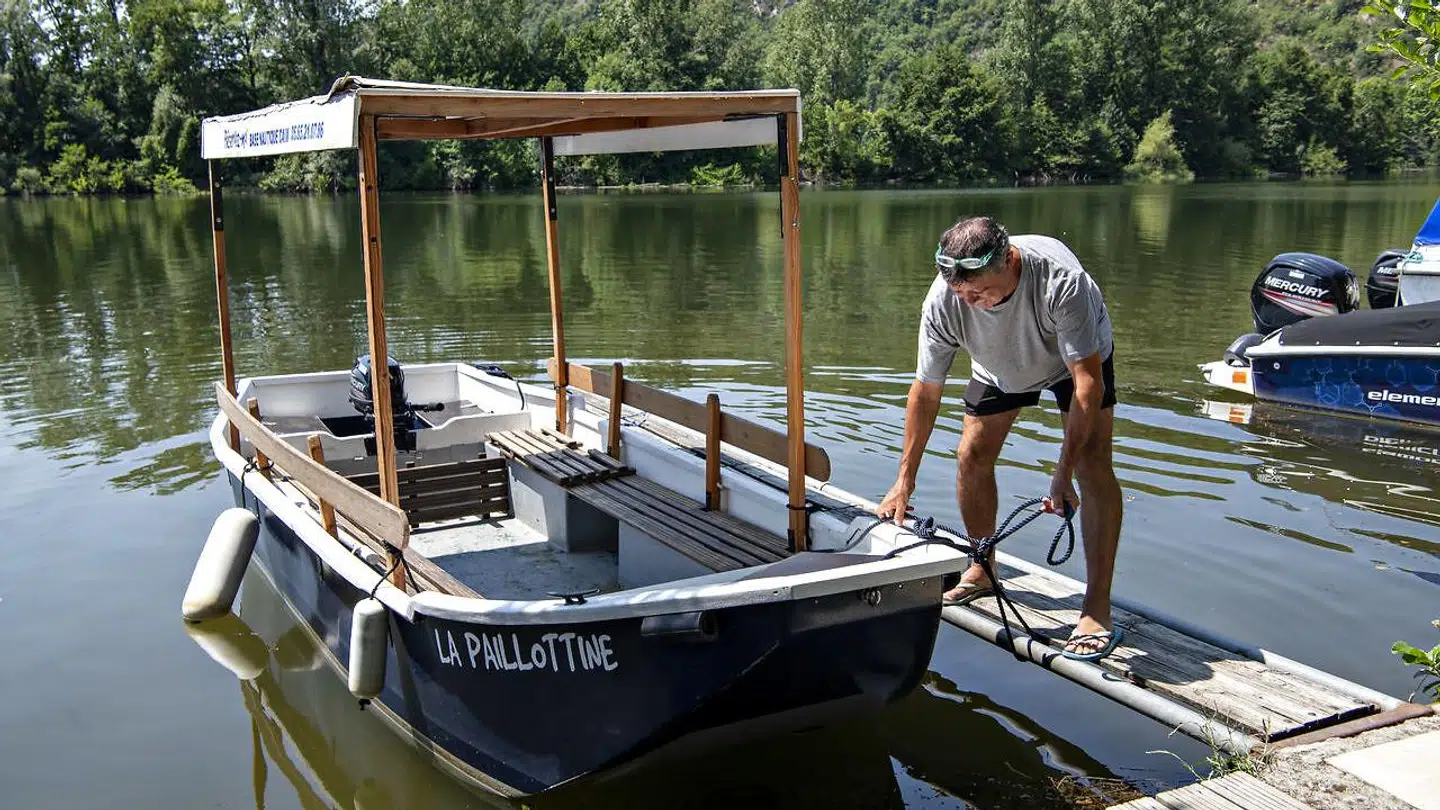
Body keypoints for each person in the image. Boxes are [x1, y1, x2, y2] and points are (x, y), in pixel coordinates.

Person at [875, 216, 1124, 661]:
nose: (971, 303)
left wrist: (1062, 474)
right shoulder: (945, 299)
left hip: (1073, 362)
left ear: (1009, 260)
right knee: (970, 453)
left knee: (1091, 465)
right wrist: (903, 480)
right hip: (998, 365)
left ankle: (1096, 607)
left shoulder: (1060, 282)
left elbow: (1087, 385)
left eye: (981, 292)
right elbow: (926, 391)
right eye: (962, 294)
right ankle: (982, 568)